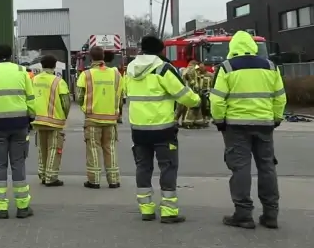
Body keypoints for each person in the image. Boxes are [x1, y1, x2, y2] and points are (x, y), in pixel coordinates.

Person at [209, 31, 286, 230]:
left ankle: (243, 215)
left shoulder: (226, 67)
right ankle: (271, 214)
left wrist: (220, 121)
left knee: (240, 168)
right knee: (267, 167)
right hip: (265, 124)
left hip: (236, 126)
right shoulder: (270, 66)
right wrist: (276, 118)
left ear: (232, 47)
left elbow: (217, 99)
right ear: (253, 46)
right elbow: (280, 98)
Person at [125, 35, 200, 223]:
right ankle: (168, 212)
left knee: (143, 167)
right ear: (161, 50)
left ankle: (146, 210)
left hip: (138, 129)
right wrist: (199, 100)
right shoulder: (163, 68)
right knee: (167, 167)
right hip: (163, 129)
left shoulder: (130, 68)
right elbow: (183, 94)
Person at [0, 44, 35, 219]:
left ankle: (1, 207)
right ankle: (23, 207)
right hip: (19, 124)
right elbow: (30, 97)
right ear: (11, 56)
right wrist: (30, 117)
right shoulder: (21, 71)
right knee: (18, 164)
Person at [75, 46, 123, 189]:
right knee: (110, 148)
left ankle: (94, 180)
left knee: (93, 148)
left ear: (90, 57)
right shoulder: (116, 75)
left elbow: (79, 96)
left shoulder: (86, 75)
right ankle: (113, 180)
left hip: (92, 118)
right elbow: (120, 97)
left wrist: (85, 107)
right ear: (104, 57)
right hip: (111, 118)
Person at [31, 54, 71, 187]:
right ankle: (51, 177)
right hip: (54, 121)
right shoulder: (58, 81)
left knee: (42, 149)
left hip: (37, 120)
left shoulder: (34, 80)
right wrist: (64, 116)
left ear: (41, 66)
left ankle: (42, 174)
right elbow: (65, 102)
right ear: (55, 66)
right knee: (54, 149)